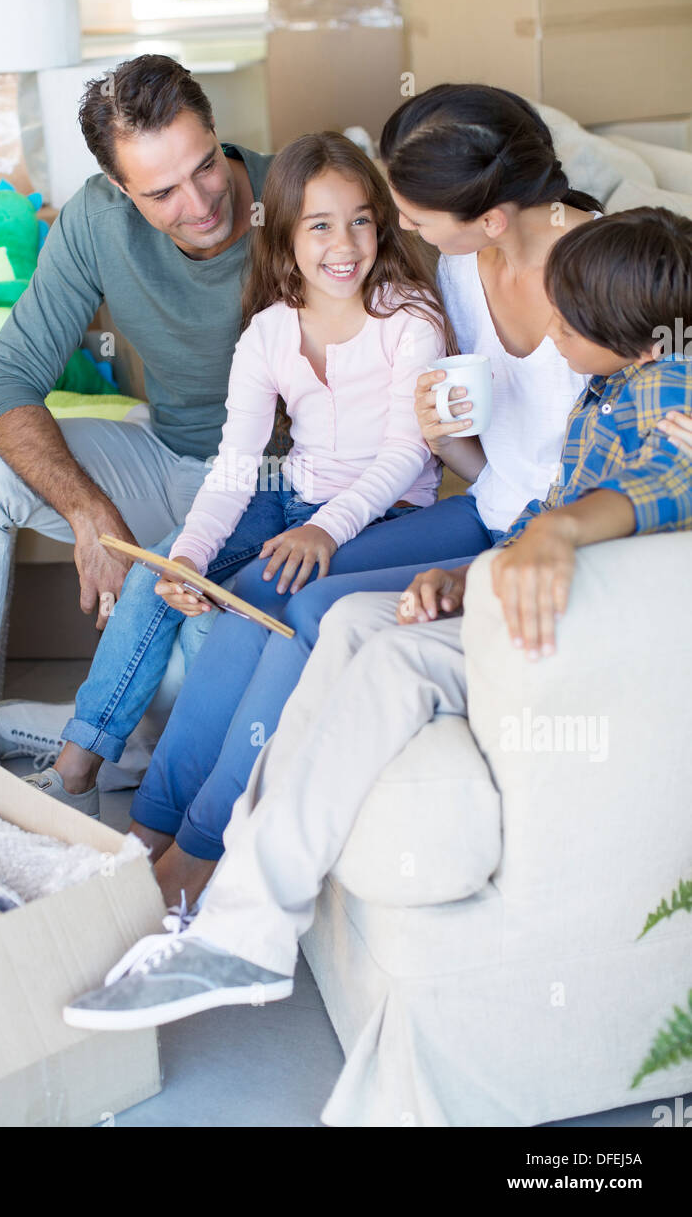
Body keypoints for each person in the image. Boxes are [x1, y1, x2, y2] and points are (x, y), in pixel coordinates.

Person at [61, 205, 692, 1030]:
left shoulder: (671, 388)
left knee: (376, 647)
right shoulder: (608, 386)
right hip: (506, 577)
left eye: (574, 321)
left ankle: (236, 919)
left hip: (576, 622)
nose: (554, 333)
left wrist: (559, 531)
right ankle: (208, 872)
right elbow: (541, 501)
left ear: (649, 340)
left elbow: (662, 483)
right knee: (349, 619)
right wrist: (464, 578)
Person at [115, 83, 606, 907]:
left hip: (541, 532)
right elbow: (480, 454)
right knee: (254, 591)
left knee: (311, 608)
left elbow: (630, 442)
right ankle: (149, 824)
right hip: (486, 503)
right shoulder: (461, 266)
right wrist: (450, 440)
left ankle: (198, 852)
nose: (399, 229)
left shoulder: (605, 276)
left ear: (488, 216)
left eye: (407, 213)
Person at [28, 132, 454, 817]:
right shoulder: (268, 333)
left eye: (360, 221)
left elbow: (407, 453)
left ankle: (189, 807)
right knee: (160, 569)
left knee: (255, 598)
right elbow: (235, 468)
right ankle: (78, 764)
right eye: (319, 226)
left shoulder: (409, 318)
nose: (343, 246)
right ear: (285, 234)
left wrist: (323, 529)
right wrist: (191, 558)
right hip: (292, 494)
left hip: (385, 514)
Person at [0, 55, 274, 750]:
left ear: (216, 131)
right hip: (167, 462)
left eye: (205, 167)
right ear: (118, 187)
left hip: (278, 494)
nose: (199, 205)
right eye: (161, 192)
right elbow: (5, 381)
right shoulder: (95, 222)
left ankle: (79, 744)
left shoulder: (298, 199)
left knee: (185, 713)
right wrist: (88, 511)